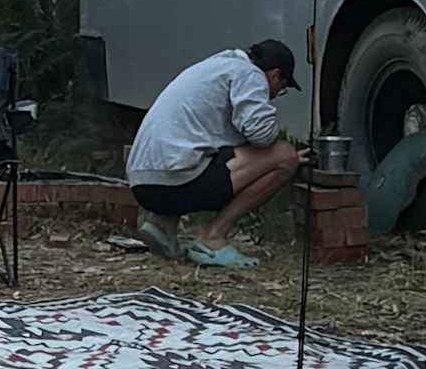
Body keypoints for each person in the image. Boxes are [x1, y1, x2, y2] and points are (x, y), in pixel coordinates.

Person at [125, 33, 304, 265]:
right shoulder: (250, 75)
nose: (276, 95)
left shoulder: (214, 68)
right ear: (276, 74)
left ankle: (161, 225)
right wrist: (281, 145)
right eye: (281, 88)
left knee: (195, 147)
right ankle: (213, 238)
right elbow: (261, 135)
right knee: (285, 156)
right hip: (172, 183)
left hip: (143, 185)